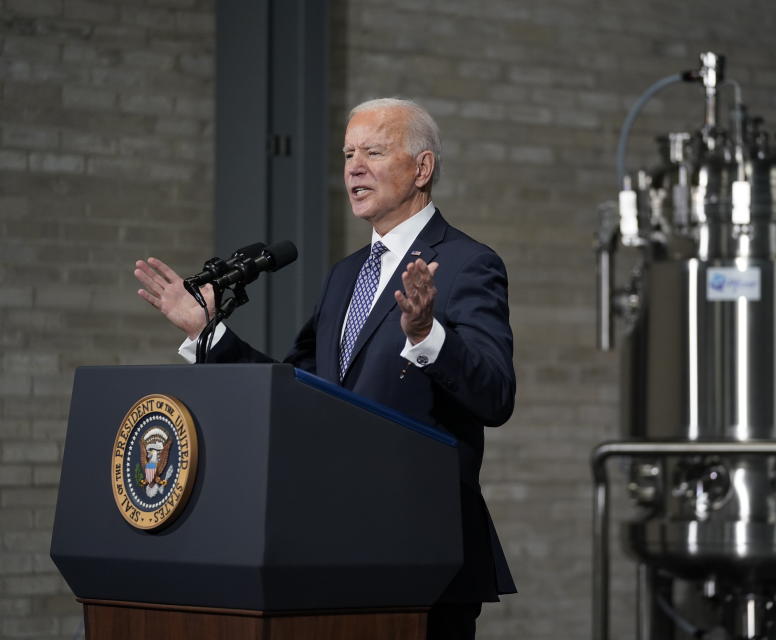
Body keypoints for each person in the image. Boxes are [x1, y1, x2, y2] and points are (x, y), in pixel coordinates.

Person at [133, 98, 516, 639]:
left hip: (422, 552)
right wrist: (206, 334)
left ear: (422, 168)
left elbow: (496, 394)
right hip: (335, 548)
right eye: (348, 153)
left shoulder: (467, 263)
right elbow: (299, 392)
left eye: (374, 152)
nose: (354, 167)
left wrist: (428, 333)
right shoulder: (346, 275)